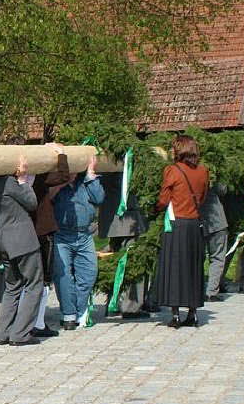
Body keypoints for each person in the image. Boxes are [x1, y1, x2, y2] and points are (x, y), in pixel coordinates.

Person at [0, 158, 44, 346]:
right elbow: (31, 202)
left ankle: (3, 333)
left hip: (1, 242)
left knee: (12, 287)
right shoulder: (9, 183)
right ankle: (21, 334)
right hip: (22, 241)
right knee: (34, 284)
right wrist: (22, 180)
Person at [152, 135, 209, 327]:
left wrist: (155, 209)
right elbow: (202, 197)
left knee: (175, 268)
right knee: (193, 267)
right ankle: (193, 313)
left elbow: (163, 199)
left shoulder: (173, 170)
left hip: (177, 225)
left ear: (178, 150)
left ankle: (175, 315)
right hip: (194, 225)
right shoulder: (203, 171)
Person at [52, 156, 104, 330]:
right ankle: (68, 314)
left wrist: (91, 175)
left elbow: (99, 198)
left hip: (84, 235)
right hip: (62, 235)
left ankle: (79, 310)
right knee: (64, 275)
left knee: (89, 273)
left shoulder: (85, 182)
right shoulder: (57, 183)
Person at [30, 153, 71, 336]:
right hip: (42, 231)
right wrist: (61, 155)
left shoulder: (11, 179)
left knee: (26, 280)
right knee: (44, 278)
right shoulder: (38, 175)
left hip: (27, 232)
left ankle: (25, 322)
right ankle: (37, 323)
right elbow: (63, 176)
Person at [106, 177, 151, 318]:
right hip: (129, 220)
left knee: (115, 264)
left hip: (112, 219)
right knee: (135, 263)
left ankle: (113, 303)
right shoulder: (129, 161)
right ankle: (130, 307)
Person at [201, 183, 229, 302]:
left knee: (197, 259)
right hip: (217, 221)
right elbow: (223, 190)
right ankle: (211, 292)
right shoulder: (213, 173)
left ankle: (197, 290)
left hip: (198, 221)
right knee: (217, 257)